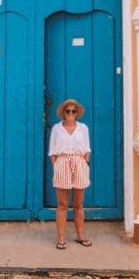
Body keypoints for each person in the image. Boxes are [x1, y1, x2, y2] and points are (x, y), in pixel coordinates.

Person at [48, 98, 92, 249]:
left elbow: (87, 149)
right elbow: (52, 151)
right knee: (62, 204)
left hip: (79, 163)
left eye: (73, 111)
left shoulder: (83, 128)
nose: (71, 114)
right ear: (63, 113)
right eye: (68, 111)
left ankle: (80, 236)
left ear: (77, 113)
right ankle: (61, 238)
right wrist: (57, 166)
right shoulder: (56, 129)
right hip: (63, 162)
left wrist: (85, 162)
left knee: (79, 204)